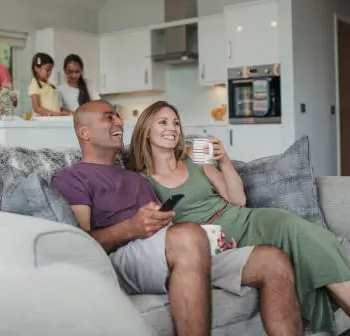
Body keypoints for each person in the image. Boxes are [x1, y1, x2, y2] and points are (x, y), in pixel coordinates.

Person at [128, 100, 350, 336]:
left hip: (242, 218)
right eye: (162, 122)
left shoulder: (192, 157)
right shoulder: (142, 181)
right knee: (303, 244)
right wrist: (210, 245)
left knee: (295, 228)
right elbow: (166, 234)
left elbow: (237, 200)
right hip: (213, 241)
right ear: (146, 130)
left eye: (175, 122)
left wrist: (224, 161)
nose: (171, 128)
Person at [51, 100, 304, 336]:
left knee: (272, 260)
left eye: (118, 117)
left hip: (169, 251)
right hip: (120, 257)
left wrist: (210, 243)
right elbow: (80, 244)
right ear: (84, 133)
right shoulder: (71, 178)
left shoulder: (136, 179)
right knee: (188, 235)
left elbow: (169, 230)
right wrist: (131, 228)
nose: (119, 122)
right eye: (109, 118)